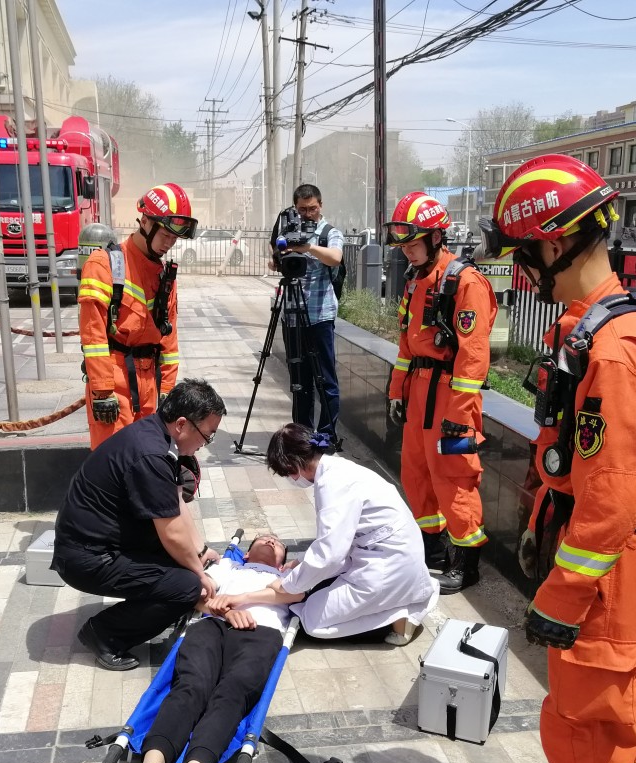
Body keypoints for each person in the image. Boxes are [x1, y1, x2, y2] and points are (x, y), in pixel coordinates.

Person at [479, 155, 636, 763]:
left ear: (555, 242)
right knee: (635, 695)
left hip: (612, 562)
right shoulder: (598, 325)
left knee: (588, 714)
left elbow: (612, 496)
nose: (521, 268)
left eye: (523, 252)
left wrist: (563, 597)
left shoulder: (614, 350)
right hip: (631, 558)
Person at [111, 533, 292, 763]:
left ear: (283, 563)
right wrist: (223, 610)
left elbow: (298, 594)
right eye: (263, 538)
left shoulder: (288, 579)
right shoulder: (229, 568)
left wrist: (253, 594)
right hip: (212, 625)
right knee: (190, 686)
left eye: (277, 542)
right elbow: (195, 595)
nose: (270, 540)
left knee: (231, 694)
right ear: (246, 555)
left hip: (262, 633)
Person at [51, 378, 226, 671]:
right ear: (182, 424)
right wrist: (198, 574)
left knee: (187, 565)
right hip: (87, 558)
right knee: (187, 587)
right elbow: (171, 533)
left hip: (104, 542)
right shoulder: (152, 455)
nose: (204, 445)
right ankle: (105, 634)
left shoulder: (157, 436)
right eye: (207, 436)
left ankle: (159, 604)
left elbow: (175, 504)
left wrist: (200, 551)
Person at [214, 423, 436, 644]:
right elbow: (334, 542)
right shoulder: (338, 470)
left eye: (288, 473)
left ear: (293, 464)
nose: (271, 541)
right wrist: (300, 563)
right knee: (316, 589)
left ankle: (396, 617)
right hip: (393, 553)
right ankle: (401, 600)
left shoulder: (333, 484)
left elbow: (330, 553)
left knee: (311, 619)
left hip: (389, 565)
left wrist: (288, 584)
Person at [386, 191, 497, 593]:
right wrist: (397, 392)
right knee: (416, 473)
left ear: (436, 237)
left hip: (451, 396)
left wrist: (459, 413)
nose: (407, 251)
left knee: (454, 477)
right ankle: (431, 548)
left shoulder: (465, 282)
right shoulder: (416, 280)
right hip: (420, 393)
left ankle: (467, 562)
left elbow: (473, 356)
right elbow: (406, 345)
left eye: (414, 243)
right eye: (403, 244)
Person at [79, 183, 197, 448]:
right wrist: (102, 391)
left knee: (146, 458)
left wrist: (167, 389)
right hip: (114, 379)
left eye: (175, 238)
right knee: (112, 459)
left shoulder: (164, 277)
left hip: (150, 382)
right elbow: (93, 335)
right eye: (165, 234)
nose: (169, 243)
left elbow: (168, 338)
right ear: (144, 222)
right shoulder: (103, 265)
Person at [269, 185, 344, 442]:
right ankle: (302, 436)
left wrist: (308, 248)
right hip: (292, 315)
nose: (307, 214)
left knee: (325, 380)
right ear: (295, 208)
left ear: (320, 205)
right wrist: (277, 257)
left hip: (319, 316)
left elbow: (335, 257)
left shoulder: (329, 233)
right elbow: (275, 255)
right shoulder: (288, 231)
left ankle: (326, 436)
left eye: (312, 208)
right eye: (302, 209)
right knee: (299, 381)